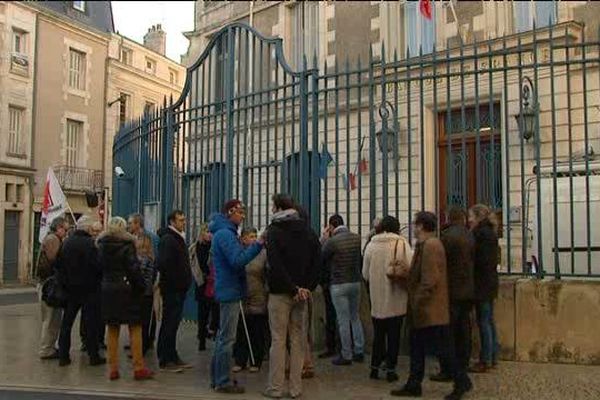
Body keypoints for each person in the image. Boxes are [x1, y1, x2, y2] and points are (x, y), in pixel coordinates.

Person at [391, 212, 472, 400]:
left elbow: (430, 279)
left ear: (420, 226)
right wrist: (405, 270)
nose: (413, 227)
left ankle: (461, 382)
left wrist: (417, 300)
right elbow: (421, 274)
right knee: (417, 348)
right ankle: (414, 383)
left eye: (415, 224)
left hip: (430, 310)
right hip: (425, 310)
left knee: (443, 350)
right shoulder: (425, 245)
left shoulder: (431, 246)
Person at [263, 194, 321, 399]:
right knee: (298, 341)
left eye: (272, 206)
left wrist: (292, 288)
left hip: (280, 293)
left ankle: (275, 388)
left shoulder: (274, 231)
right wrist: (306, 288)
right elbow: (318, 262)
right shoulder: (308, 231)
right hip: (302, 295)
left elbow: (275, 264)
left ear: (279, 208)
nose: (271, 210)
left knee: (278, 341)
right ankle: (296, 389)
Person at [209, 200, 264, 394]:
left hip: (227, 289)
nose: (243, 216)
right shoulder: (225, 234)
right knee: (227, 339)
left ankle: (216, 377)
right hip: (229, 290)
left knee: (223, 338)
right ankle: (222, 380)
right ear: (230, 212)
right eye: (240, 212)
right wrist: (257, 245)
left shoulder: (226, 233)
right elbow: (237, 261)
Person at [98, 217, 154, 381]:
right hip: (127, 289)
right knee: (135, 327)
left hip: (108, 288)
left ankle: (113, 368)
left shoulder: (101, 245)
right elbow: (133, 269)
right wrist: (141, 286)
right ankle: (138, 367)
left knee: (112, 328)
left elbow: (98, 267)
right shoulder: (127, 245)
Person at [362, 216, 412, 382]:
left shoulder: (371, 245)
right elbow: (410, 266)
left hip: (377, 298)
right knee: (394, 336)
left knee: (379, 334)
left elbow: (365, 274)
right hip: (396, 297)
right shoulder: (402, 243)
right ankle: (391, 369)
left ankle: (374, 368)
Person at [431, 207, 475, 382]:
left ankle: (448, 369)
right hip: (467, 290)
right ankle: (462, 365)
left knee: (447, 332)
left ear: (448, 218)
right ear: (463, 219)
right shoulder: (470, 235)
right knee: (464, 330)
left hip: (450, 291)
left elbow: (439, 265)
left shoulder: (446, 237)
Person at [56, 216, 105, 367]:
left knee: (66, 324)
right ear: (88, 229)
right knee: (90, 324)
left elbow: (59, 266)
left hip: (70, 290)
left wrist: (65, 284)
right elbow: (98, 266)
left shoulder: (66, 243)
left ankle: (63, 356)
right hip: (89, 290)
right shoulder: (90, 244)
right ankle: (93, 356)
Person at [321, 214, 365, 366]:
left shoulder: (332, 241)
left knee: (343, 320)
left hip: (339, 283)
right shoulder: (356, 238)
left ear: (331, 227)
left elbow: (322, 256)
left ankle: (346, 354)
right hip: (355, 282)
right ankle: (359, 350)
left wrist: (324, 238)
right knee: (355, 317)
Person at [156, 210, 193, 372]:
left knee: (173, 324)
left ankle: (172, 355)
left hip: (178, 288)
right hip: (173, 289)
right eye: (180, 220)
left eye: (184, 220)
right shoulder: (169, 240)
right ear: (172, 222)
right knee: (169, 324)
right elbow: (164, 264)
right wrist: (174, 282)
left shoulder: (177, 238)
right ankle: (165, 358)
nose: (183, 223)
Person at [468, 204, 500, 373]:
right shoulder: (489, 232)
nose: (469, 220)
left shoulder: (481, 234)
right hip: (489, 282)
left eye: (471, 216)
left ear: (479, 217)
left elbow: (480, 261)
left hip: (482, 284)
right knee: (488, 321)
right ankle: (492, 356)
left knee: (484, 322)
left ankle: (486, 359)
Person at [233, 227, 269, 373]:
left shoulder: (263, 254)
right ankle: (240, 360)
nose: (253, 239)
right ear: (243, 239)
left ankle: (256, 360)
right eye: (250, 236)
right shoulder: (238, 253)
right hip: (241, 296)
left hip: (258, 295)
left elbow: (267, 274)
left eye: (255, 236)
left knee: (257, 330)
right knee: (241, 330)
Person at [36, 217, 69, 360]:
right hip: (49, 285)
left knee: (54, 318)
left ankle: (49, 346)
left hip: (49, 283)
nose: (66, 233)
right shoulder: (52, 239)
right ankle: (46, 349)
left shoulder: (54, 239)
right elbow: (55, 259)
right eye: (65, 229)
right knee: (50, 319)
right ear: (58, 228)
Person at [194, 223, 219, 352]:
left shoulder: (215, 246)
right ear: (202, 233)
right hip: (203, 284)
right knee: (202, 313)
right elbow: (199, 265)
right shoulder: (197, 247)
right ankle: (202, 338)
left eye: (211, 232)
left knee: (216, 309)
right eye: (207, 232)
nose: (209, 234)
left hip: (214, 283)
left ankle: (213, 331)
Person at [136, 233, 158, 356]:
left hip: (143, 293)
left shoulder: (143, 258)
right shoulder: (151, 257)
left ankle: (141, 348)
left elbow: (139, 273)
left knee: (141, 322)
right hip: (148, 292)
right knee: (145, 321)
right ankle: (143, 345)